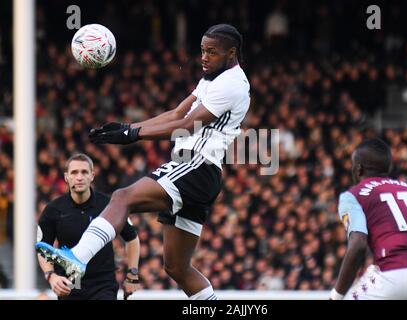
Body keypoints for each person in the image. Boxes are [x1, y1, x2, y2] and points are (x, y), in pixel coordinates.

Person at [36, 23, 250, 300]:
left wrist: (134, 135)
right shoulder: (213, 77)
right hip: (201, 175)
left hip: (196, 165)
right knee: (177, 266)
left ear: (231, 53)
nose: (204, 58)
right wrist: (129, 127)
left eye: (212, 52)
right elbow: (176, 113)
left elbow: (186, 125)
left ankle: (76, 258)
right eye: (202, 51)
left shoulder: (232, 84)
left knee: (122, 197)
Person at [330, 138, 407, 300]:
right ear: (389, 168)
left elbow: (358, 244)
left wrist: (336, 295)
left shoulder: (352, 196)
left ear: (358, 169)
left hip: (394, 274)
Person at [37, 153, 141, 300]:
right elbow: (43, 248)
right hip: (70, 285)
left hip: (103, 286)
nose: (79, 177)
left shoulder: (110, 205)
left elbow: (132, 239)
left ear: (92, 176)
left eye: (84, 172)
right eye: (74, 172)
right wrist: (51, 276)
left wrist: (132, 274)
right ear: (66, 177)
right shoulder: (53, 210)